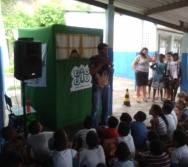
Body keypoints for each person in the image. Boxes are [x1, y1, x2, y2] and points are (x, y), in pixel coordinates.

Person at [89, 43, 114, 128]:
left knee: (106, 107)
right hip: (97, 86)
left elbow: (112, 71)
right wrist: (102, 64)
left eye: (107, 49)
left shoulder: (108, 59)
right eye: (104, 49)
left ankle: (104, 125)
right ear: (99, 50)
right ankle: (94, 127)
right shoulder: (93, 59)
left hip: (107, 86)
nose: (106, 51)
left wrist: (108, 65)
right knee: (95, 108)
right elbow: (92, 72)